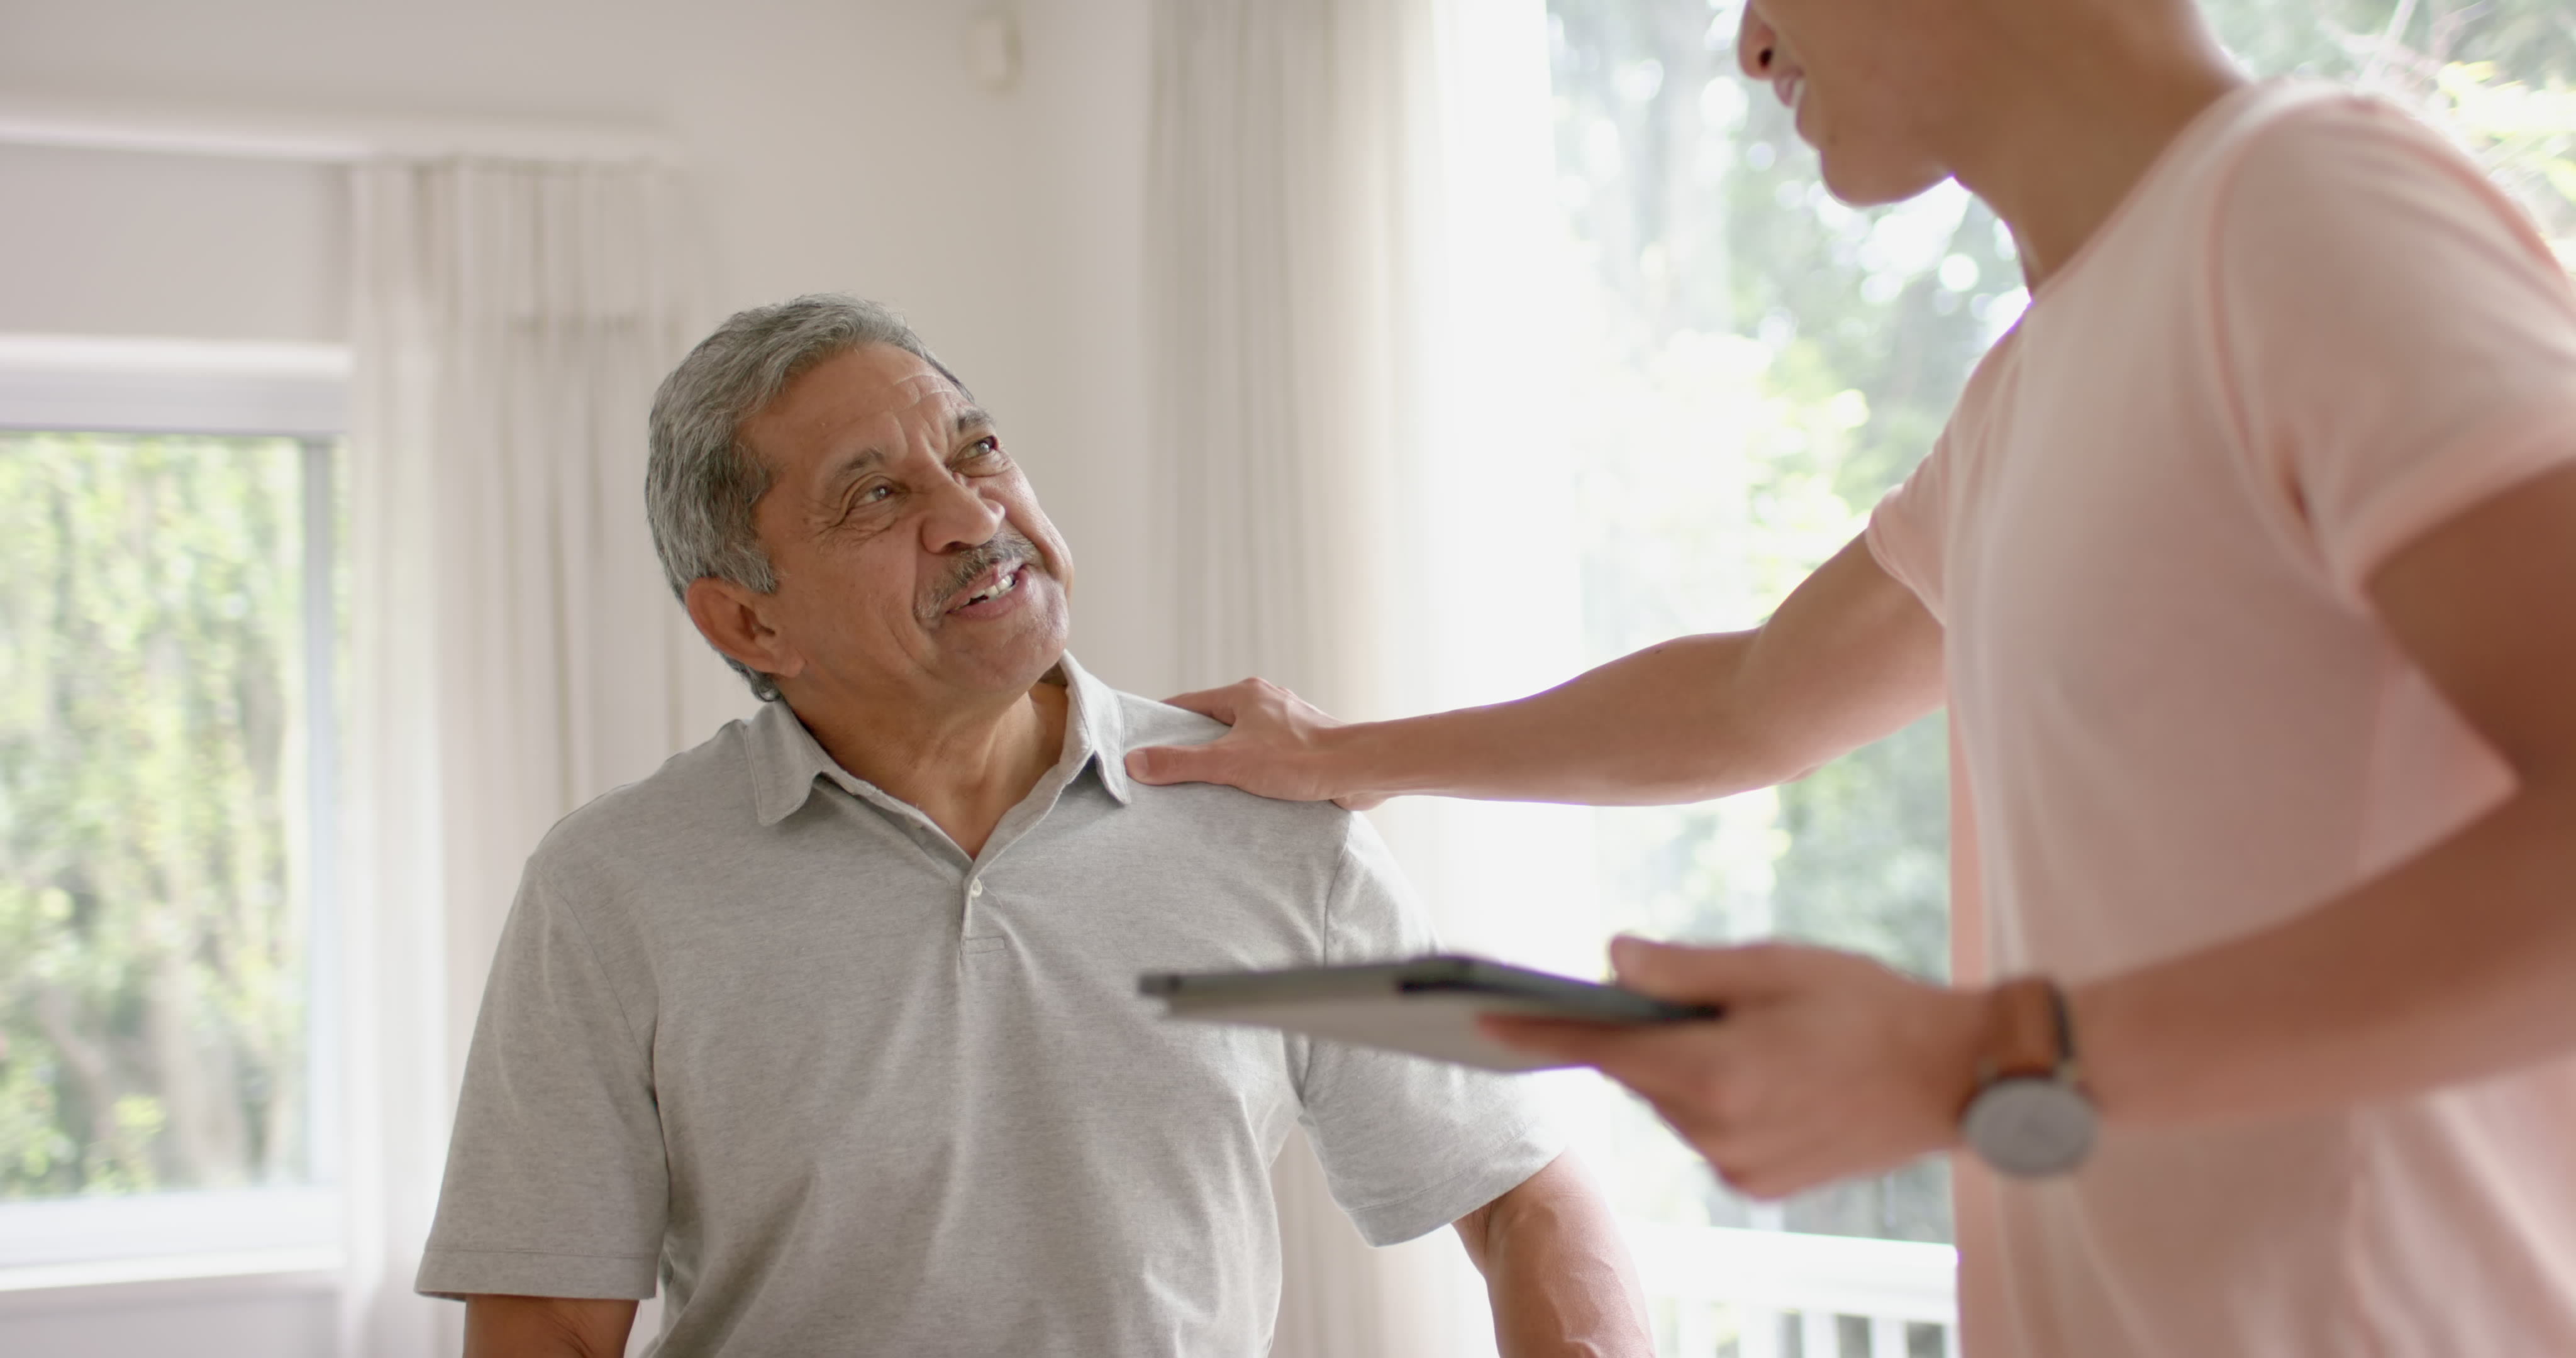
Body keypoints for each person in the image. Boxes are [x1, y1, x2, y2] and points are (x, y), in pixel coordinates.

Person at [1123, 0, 2576, 1353]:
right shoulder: (2029, 386)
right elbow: (1751, 697)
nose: (1750, 47)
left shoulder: (2301, 215)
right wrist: (1340, 756)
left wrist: (1977, 1058)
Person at [412, 295, 1654, 1357]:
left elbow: (1521, 1196)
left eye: (979, 450)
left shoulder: (1264, 819)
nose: (969, 516)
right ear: (748, 625)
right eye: (876, 495)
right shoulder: (613, 886)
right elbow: (549, 1330)